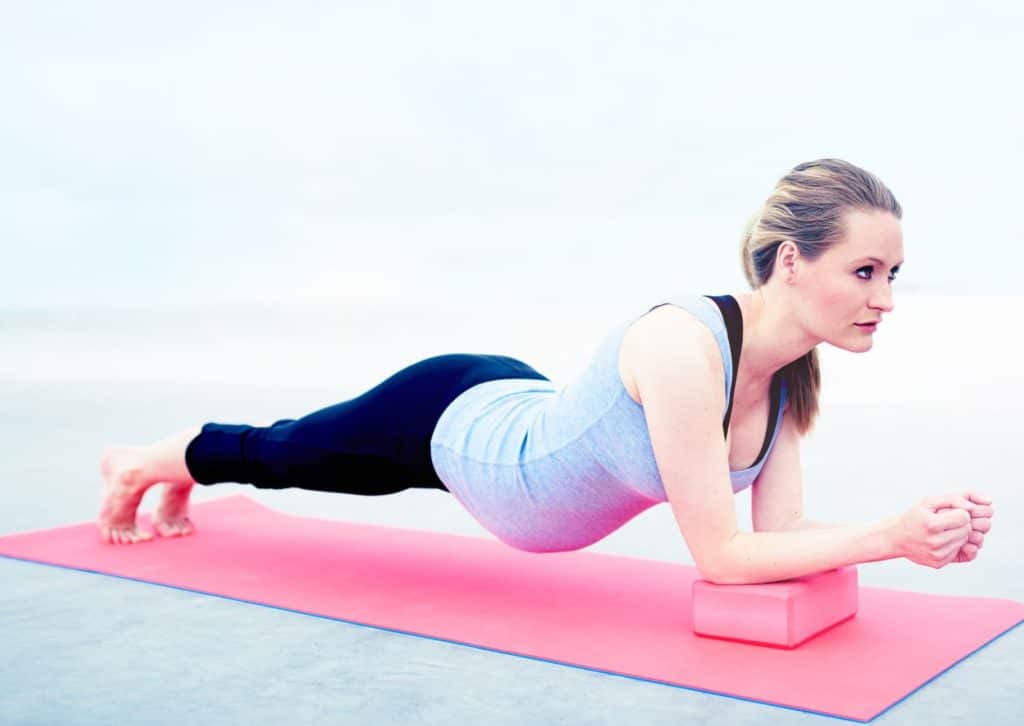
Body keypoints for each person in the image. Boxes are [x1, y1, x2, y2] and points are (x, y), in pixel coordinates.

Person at [97, 158, 994, 585]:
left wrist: (920, 528)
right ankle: (141, 466)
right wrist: (887, 540)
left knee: (289, 451)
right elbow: (725, 557)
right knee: (286, 452)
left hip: (525, 406)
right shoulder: (688, 349)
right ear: (791, 263)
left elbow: (783, 529)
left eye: (892, 275)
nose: (883, 298)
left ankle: (168, 474)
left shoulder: (793, 374)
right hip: (456, 428)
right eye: (864, 271)